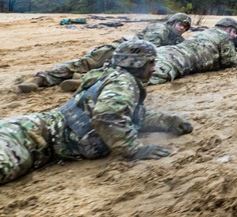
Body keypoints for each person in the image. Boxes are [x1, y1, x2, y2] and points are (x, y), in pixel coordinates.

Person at [0, 40, 193, 185]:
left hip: (38, 133)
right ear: (137, 64)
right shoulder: (122, 82)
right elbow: (107, 116)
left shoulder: (112, 75)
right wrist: (134, 150)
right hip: (33, 137)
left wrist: (167, 121)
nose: (154, 69)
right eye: (151, 64)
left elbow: (128, 114)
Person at [16, 13, 192, 93]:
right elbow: (147, 47)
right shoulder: (161, 29)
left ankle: (82, 79)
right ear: (172, 22)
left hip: (131, 54)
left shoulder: (177, 39)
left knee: (95, 67)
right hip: (124, 48)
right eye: (180, 24)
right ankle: (41, 79)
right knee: (87, 62)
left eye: (185, 27)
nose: (182, 28)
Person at [146, 17, 237, 85]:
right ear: (227, 28)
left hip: (166, 50)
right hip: (178, 60)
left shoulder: (205, 32)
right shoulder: (225, 36)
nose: (235, 36)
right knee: (148, 77)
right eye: (234, 32)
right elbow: (229, 62)